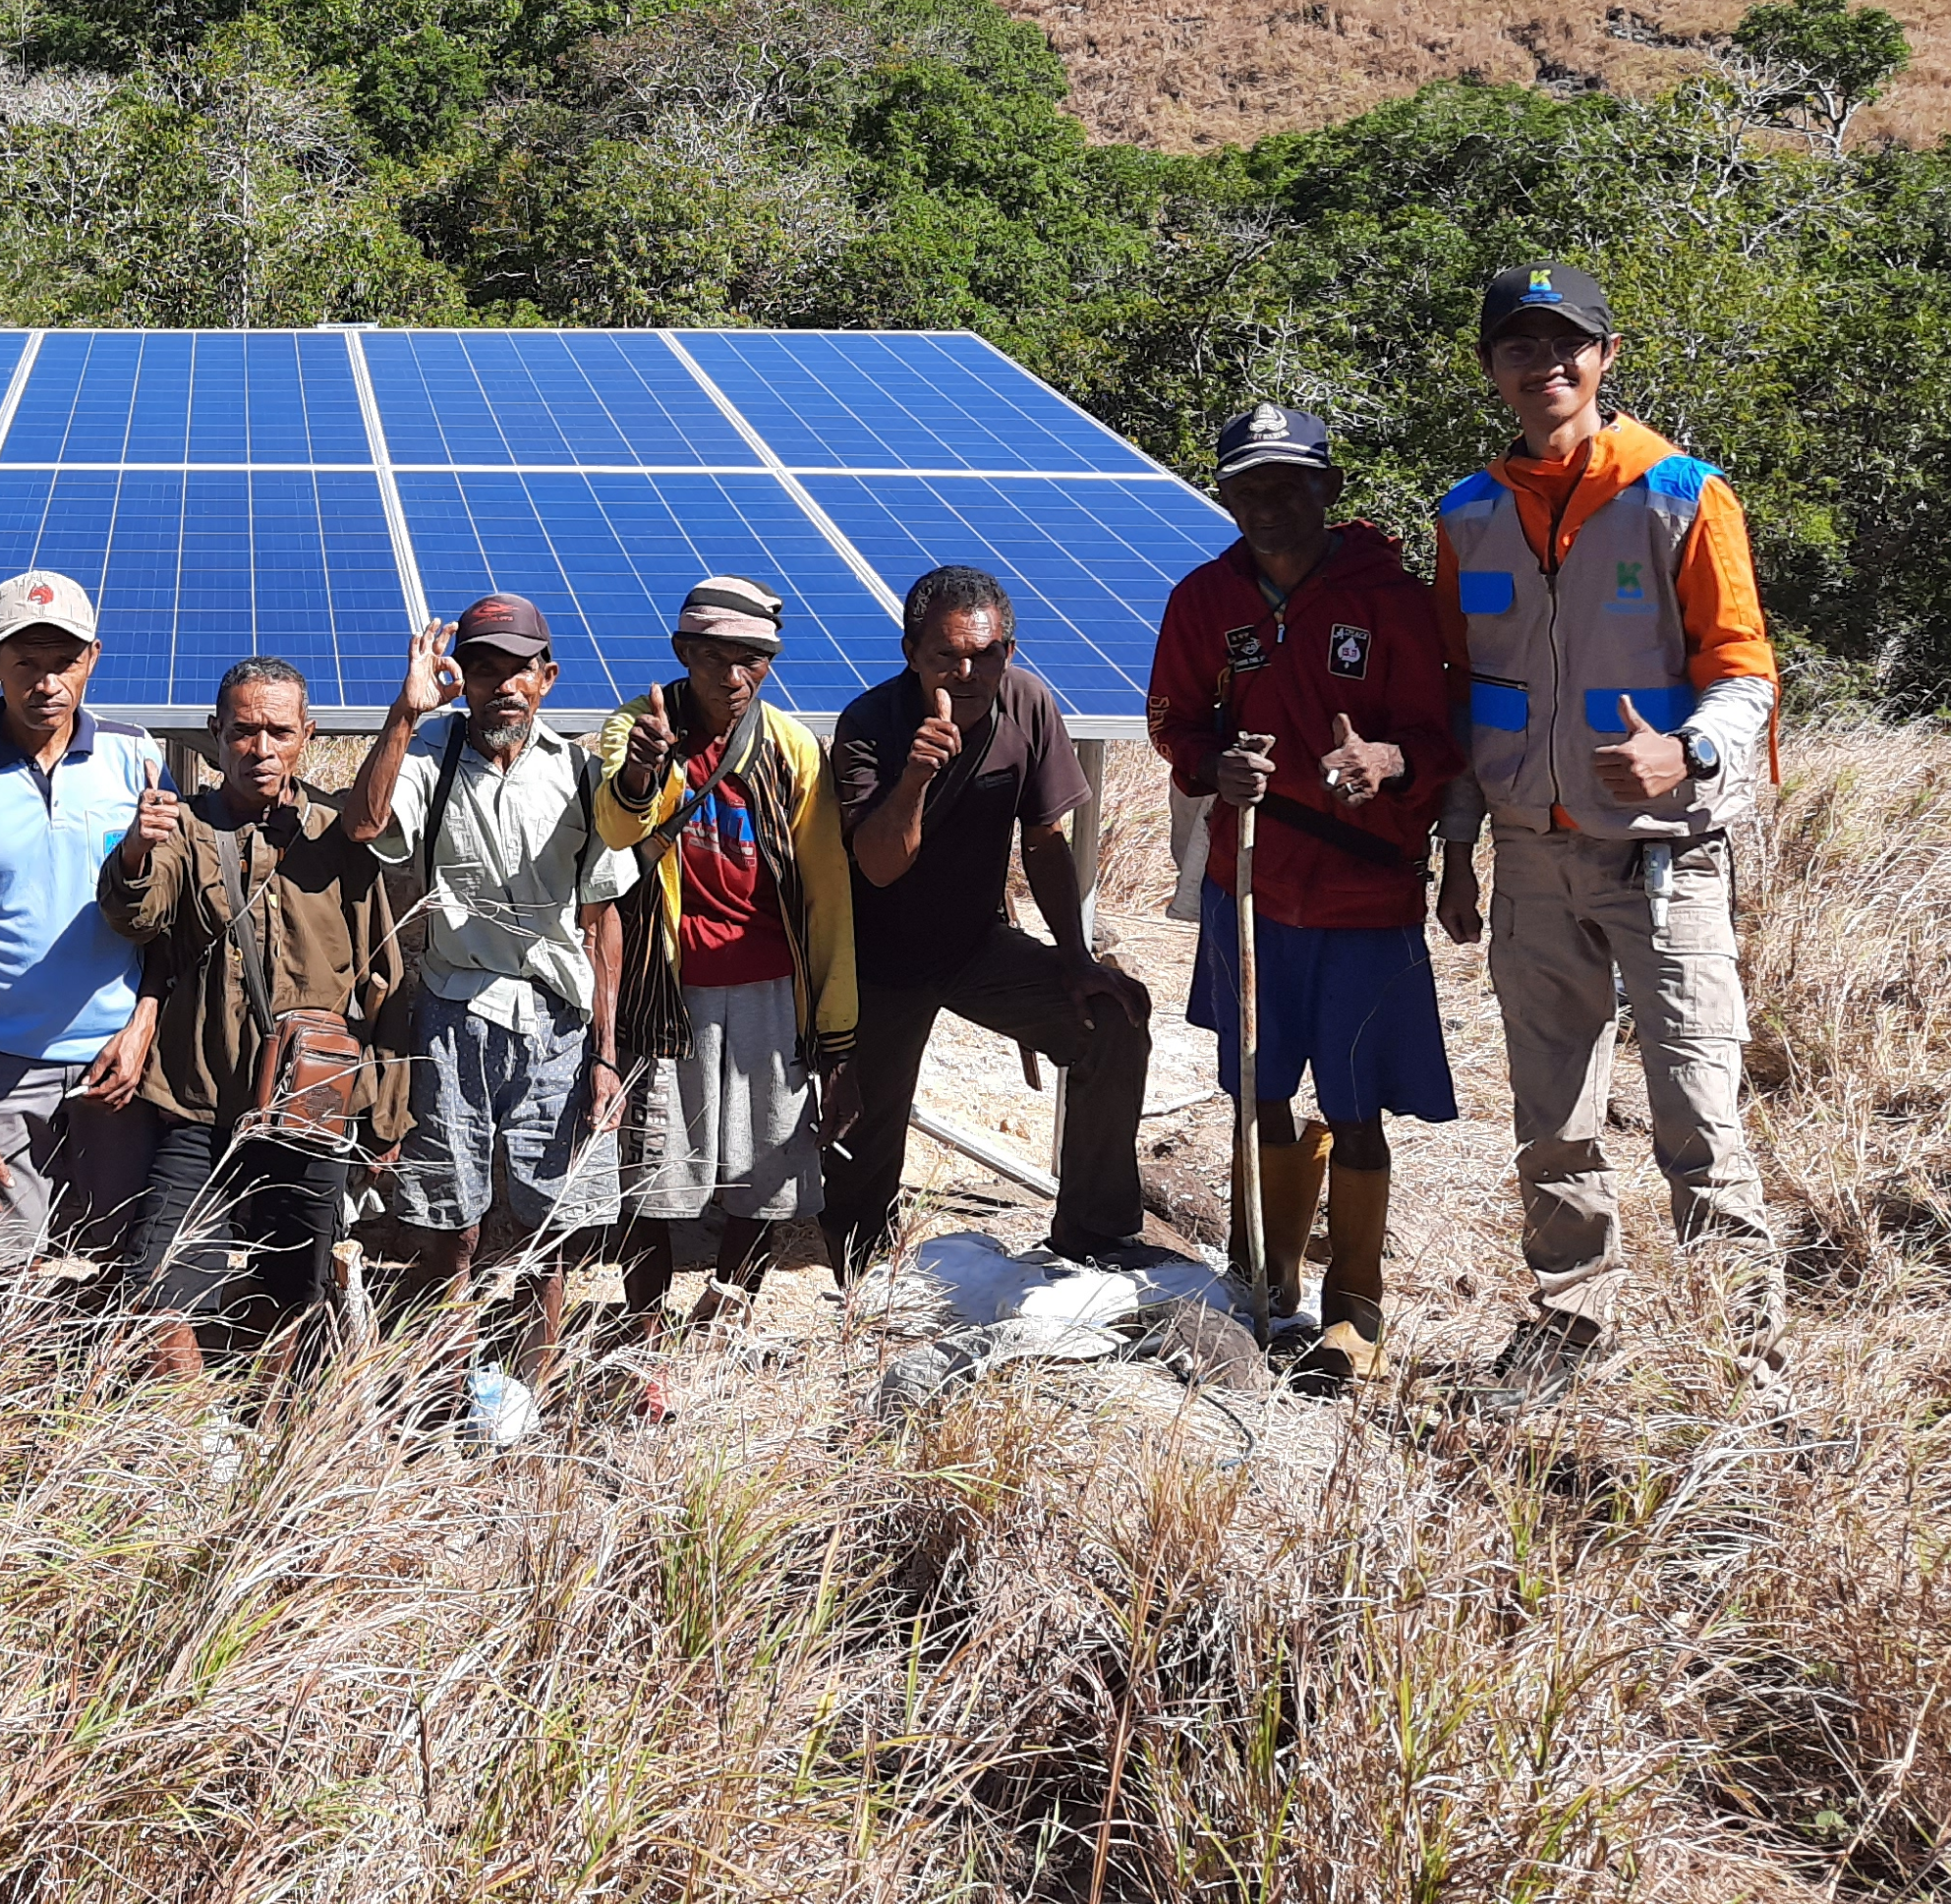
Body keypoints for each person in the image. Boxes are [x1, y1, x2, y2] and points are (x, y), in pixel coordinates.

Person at [1431, 261, 1782, 1389]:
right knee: (1551, 1118)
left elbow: (1746, 671)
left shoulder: (1681, 492)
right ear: (1491, 369)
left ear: (1608, 355)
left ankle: (1744, 1364)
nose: (1546, 366)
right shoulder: (1468, 515)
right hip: (1531, 855)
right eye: (1520, 348)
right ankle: (1570, 1328)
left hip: (1663, 856)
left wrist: (1690, 749)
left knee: (1696, 1116)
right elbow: (1457, 692)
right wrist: (1456, 850)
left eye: (1566, 343)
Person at [1144, 404, 1463, 1391]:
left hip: (1366, 896)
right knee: (1257, 1091)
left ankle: (1355, 1307)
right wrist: (1212, 766)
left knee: (1357, 1101)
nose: (1267, 504)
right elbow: (1174, 720)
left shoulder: (1393, 601)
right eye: (1247, 486)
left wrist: (1389, 759)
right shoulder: (1205, 598)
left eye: (1288, 482)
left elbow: (1444, 739)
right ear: (1225, 495)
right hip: (1253, 883)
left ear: (1327, 485)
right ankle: (1265, 1281)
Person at [822, 566, 1154, 1272]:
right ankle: (862, 1268)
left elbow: (1044, 841)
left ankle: (1096, 1235)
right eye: (947, 656)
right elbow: (879, 866)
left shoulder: (1028, 704)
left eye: (987, 653)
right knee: (860, 1156)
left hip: (975, 947)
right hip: (874, 962)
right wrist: (915, 775)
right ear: (912, 653)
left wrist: (1075, 958)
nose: (968, 672)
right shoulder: (868, 725)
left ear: (1010, 651)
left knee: (1113, 1018)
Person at [351, 594, 636, 1386]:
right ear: (462, 679)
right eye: (483, 668)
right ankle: (440, 1381)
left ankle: (532, 1386)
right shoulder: (428, 761)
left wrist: (608, 1055)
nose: (502, 685)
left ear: (546, 677)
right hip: (452, 1015)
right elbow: (366, 827)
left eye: (518, 668)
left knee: (553, 1228)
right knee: (449, 1220)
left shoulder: (582, 774)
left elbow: (601, 922)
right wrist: (403, 716)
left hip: (558, 1023)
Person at [97, 655, 406, 1377]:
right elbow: (136, 915)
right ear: (216, 734)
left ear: (307, 734)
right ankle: (195, 1436)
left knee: (298, 1290)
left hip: (310, 1112)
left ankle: (275, 1441)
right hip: (199, 1105)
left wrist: (384, 1117)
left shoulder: (339, 838)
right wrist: (137, 849)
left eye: (277, 732)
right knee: (159, 1281)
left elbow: (385, 978)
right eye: (242, 732)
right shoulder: (185, 829)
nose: (259, 750)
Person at [591, 577, 858, 1330]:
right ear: (683, 652)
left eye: (754, 658)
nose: (734, 676)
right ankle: (643, 1325)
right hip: (667, 985)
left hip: (773, 988)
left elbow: (826, 894)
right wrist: (644, 770)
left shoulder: (791, 749)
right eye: (715, 657)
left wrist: (837, 1034)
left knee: (763, 1166)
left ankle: (726, 1315)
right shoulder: (636, 725)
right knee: (654, 1172)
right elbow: (614, 830)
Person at [0, 572, 170, 1280]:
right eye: (26, 662)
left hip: (117, 1064)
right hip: (0, 1072)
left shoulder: (137, 756)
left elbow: (173, 923)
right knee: (6, 1279)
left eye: (64, 661)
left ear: (92, 659)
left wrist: (142, 1026)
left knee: (116, 1268)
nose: (46, 682)